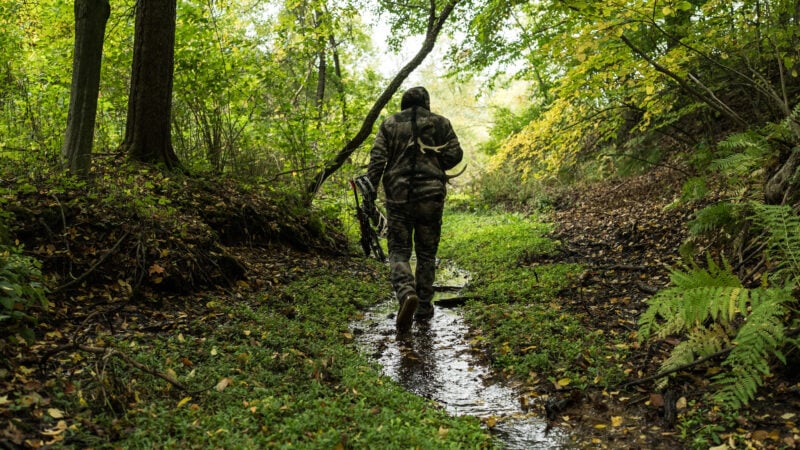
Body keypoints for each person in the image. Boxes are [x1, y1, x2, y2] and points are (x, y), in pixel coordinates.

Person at [365, 86, 463, 332]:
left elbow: (377, 160)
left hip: (398, 198)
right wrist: (435, 163)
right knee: (426, 254)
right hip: (431, 197)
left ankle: (407, 293)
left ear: (403, 102)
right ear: (426, 103)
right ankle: (424, 308)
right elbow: (455, 154)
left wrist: (369, 193)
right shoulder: (440, 123)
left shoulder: (389, 124)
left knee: (398, 251)